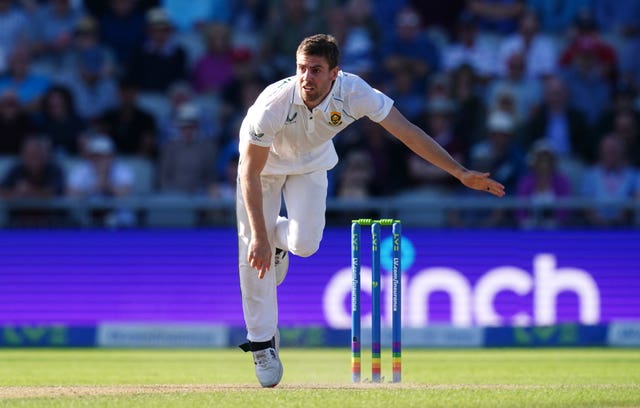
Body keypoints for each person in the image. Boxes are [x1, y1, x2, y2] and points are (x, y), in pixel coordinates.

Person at [235, 34, 505, 388]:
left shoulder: (354, 92)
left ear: (335, 73)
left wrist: (460, 172)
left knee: (305, 245)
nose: (307, 78)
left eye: (316, 70)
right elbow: (249, 172)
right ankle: (262, 343)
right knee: (253, 254)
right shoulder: (271, 106)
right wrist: (258, 237)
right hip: (263, 168)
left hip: (311, 164)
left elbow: (406, 132)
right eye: (302, 69)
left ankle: (279, 239)